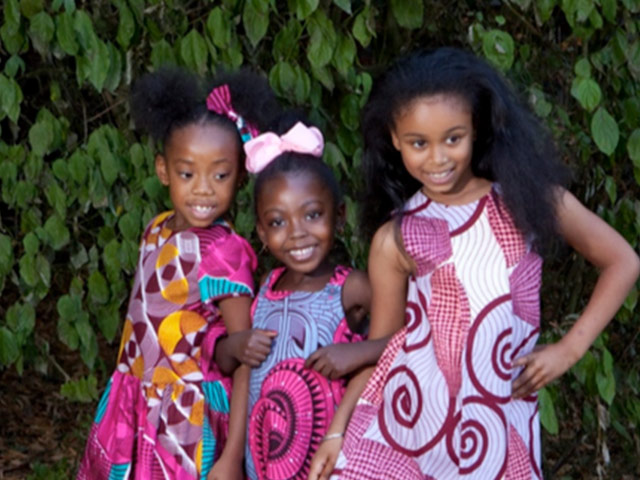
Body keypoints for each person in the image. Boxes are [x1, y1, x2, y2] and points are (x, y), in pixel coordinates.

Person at [308, 47, 640, 480]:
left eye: (453, 138)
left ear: (477, 128)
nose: (438, 158)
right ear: (394, 138)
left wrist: (569, 349)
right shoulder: (396, 236)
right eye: (418, 143)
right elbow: (388, 346)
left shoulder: (526, 202)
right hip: (409, 432)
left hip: (500, 427)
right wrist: (337, 432)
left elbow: (623, 261)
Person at [77, 67, 279, 480]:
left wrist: (233, 455)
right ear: (163, 170)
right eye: (187, 173)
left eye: (220, 175)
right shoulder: (156, 227)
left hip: (186, 422)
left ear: (240, 177)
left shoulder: (227, 253)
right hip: (133, 404)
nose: (203, 189)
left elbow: (245, 360)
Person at [215, 114, 387, 480]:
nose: (297, 234)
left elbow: (412, 336)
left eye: (311, 215)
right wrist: (231, 458)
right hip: (263, 462)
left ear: (339, 217)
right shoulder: (265, 289)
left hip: (328, 462)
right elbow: (245, 371)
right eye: (278, 222)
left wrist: (356, 352)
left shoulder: (350, 287)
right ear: (261, 230)